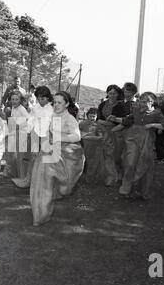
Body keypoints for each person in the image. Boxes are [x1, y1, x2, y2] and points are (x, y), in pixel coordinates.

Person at [30, 91, 85, 226]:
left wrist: (58, 138)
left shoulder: (70, 118)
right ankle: (40, 212)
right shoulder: (52, 115)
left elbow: (77, 136)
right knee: (41, 177)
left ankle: (45, 206)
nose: (56, 105)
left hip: (68, 153)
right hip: (51, 150)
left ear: (67, 104)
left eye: (60, 102)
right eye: (54, 102)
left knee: (62, 188)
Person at [108, 92, 164, 200]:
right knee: (130, 162)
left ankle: (139, 190)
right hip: (132, 139)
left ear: (152, 102)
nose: (142, 104)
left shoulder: (156, 113)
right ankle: (127, 188)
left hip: (147, 141)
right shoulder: (136, 110)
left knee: (143, 164)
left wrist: (152, 125)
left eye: (145, 101)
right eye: (141, 101)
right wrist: (114, 119)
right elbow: (126, 121)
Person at [12, 86, 53, 188]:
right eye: (38, 98)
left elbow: (52, 124)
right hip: (35, 134)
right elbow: (31, 119)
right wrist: (28, 131)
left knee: (44, 159)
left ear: (48, 98)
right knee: (33, 157)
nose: (40, 101)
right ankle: (29, 180)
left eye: (42, 98)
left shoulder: (51, 109)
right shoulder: (36, 107)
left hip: (46, 136)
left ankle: (43, 183)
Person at [97, 85, 126, 187]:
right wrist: (106, 124)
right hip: (105, 132)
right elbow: (98, 119)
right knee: (107, 155)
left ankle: (121, 174)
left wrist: (112, 126)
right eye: (110, 93)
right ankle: (111, 177)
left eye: (114, 93)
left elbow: (124, 122)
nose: (112, 95)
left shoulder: (122, 106)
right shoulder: (102, 105)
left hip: (118, 133)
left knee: (117, 157)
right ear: (107, 93)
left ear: (118, 94)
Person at [1, 91, 30, 178]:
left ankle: (21, 174)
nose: (14, 101)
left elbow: (28, 119)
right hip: (15, 133)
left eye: (16, 99)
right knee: (11, 153)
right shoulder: (13, 108)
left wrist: (18, 126)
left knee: (19, 155)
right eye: (12, 99)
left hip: (22, 134)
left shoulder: (22, 109)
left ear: (20, 100)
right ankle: (11, 172)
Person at [80, 108, 105, 183]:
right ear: (87, 116)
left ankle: (90, 178)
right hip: (84, 146)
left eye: (94, 116)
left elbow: (100, 137)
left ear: (97, 117)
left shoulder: (98, 125)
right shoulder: (82, 124)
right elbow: (80, 135)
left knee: (93, 162)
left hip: (95, 146)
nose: (92, 118)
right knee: (82, 161)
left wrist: (87, 136)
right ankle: (79, 176)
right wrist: (90, 137)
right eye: (90, 116)